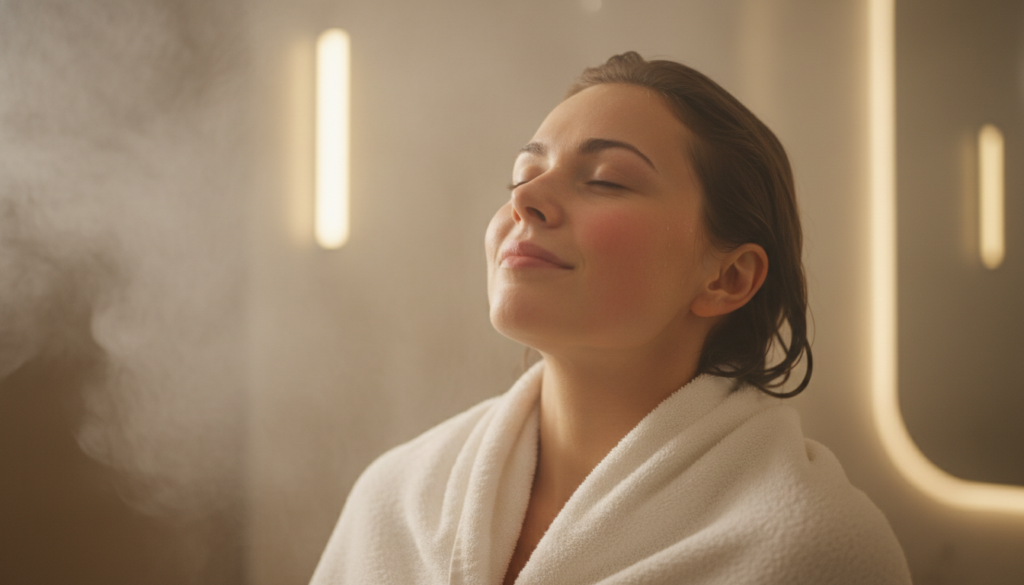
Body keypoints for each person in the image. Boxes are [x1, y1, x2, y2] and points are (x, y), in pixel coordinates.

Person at [309, 52, 912, 585]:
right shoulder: (395, 500)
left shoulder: (815, 549)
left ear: (728, 278)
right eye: (522, 176)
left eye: (605, 180)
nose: (523, 200)